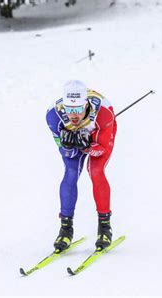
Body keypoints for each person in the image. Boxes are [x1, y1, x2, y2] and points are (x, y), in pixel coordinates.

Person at [46, 80, 117, 252]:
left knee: (96, 171)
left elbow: (100, 150)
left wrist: (86, 145)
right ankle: (65, 229)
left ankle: (105, 227)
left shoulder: (103, 115)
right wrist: (69, 146)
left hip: (98, 133)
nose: (74, 115)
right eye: (70, 110)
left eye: (78, 109)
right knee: (70, 172)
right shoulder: (53, 116)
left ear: (86, 105)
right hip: (78, 136)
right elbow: (65, 153)